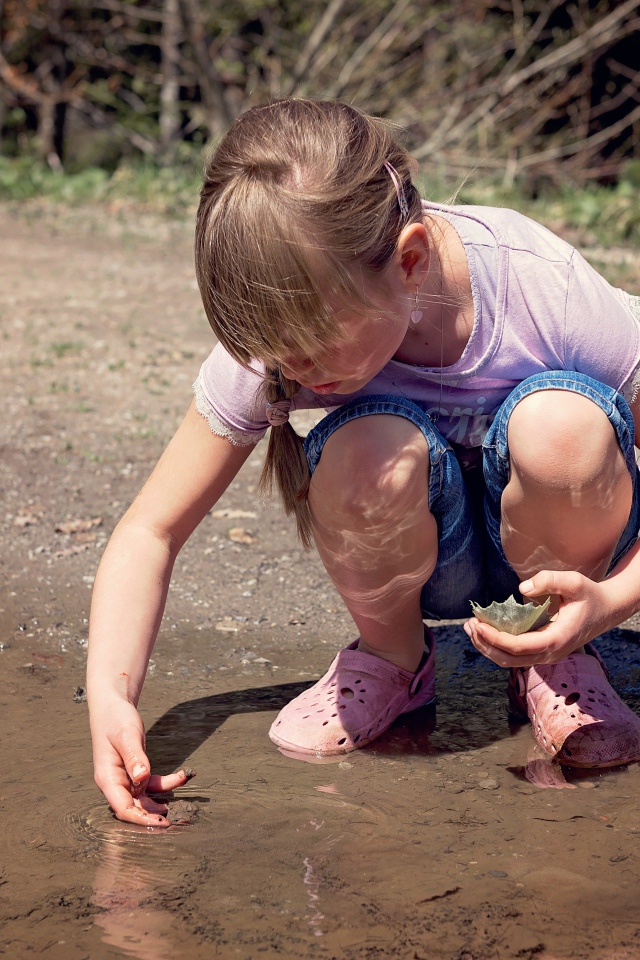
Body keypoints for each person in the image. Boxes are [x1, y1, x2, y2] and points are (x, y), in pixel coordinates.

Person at [87, 98, 640, 827]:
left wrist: (612, 603)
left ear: (409, 263)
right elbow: (150, 531)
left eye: (313, 348)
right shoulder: (282, 342)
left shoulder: (543, 289)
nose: (296, 371)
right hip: (420, 559)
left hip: (562, 557)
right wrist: (112, 701)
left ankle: (559, 654)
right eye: (278, 354)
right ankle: (392, 661)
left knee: (562, 427)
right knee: (363, 452)